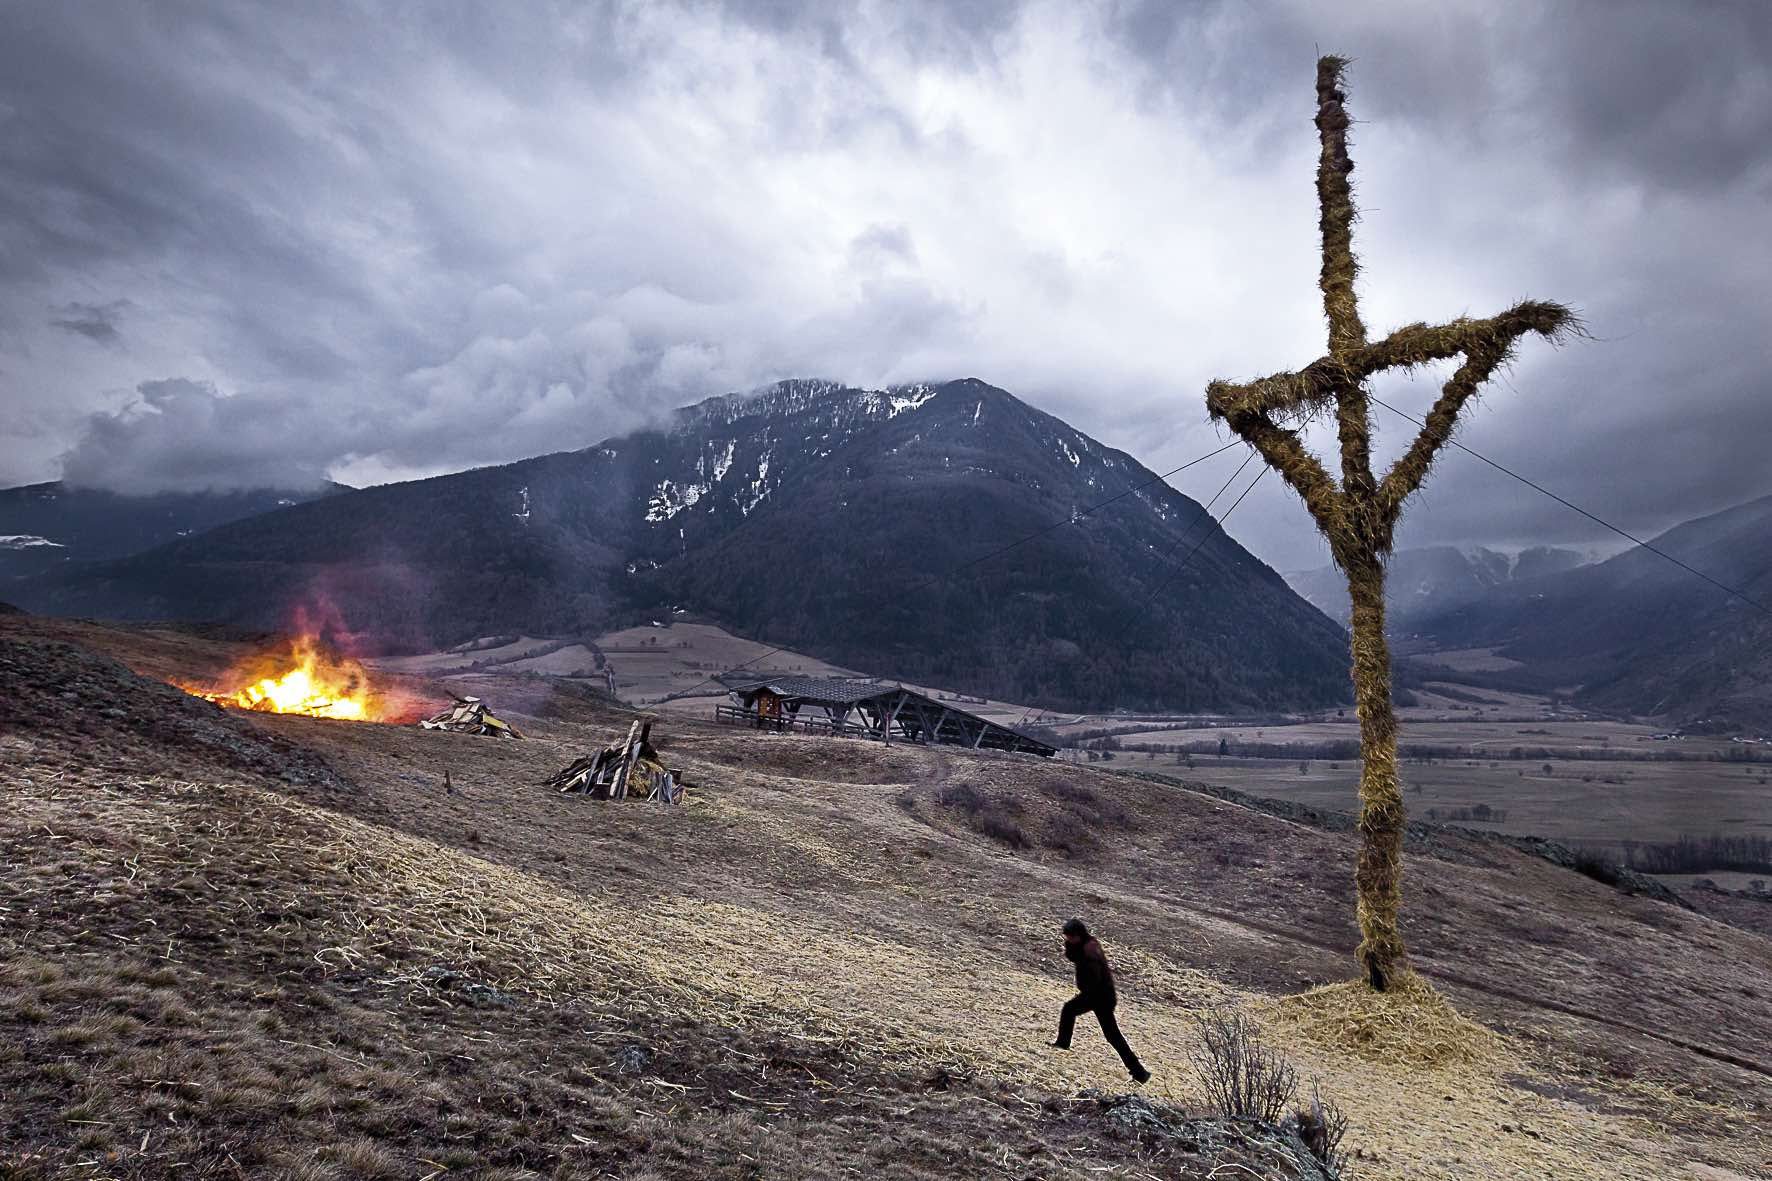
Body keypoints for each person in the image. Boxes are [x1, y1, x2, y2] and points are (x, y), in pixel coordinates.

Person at [1049, 917, 1150, 1083]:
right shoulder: (1083, 945)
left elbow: (1094, 977)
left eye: (1070, 937)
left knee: (1111, 1034)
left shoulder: (1090, 949)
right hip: (1095, 995)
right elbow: (1073, 958)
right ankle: (1139, 1072)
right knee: (1072, 1011)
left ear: (1078, 935)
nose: (1068, 940)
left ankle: (1139, 1073)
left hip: (1100, 996)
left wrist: (1087, 996)